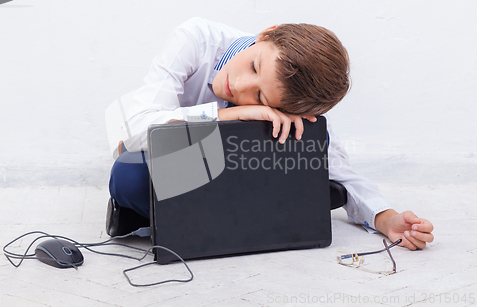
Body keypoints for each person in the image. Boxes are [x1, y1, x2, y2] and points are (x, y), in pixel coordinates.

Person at [108, 17, 434, 250]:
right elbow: (135, 131)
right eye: (254, 67)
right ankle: (165, 215)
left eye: (261, 97)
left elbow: (341, 174)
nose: (238, 86)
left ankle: (206, 222)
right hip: (169, 163)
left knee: (315, 181)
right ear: (267, 34)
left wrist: (385, 218)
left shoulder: (296, 105)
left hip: (233, 176)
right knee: (129, 178)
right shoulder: (195, 40)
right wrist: (228, 114)